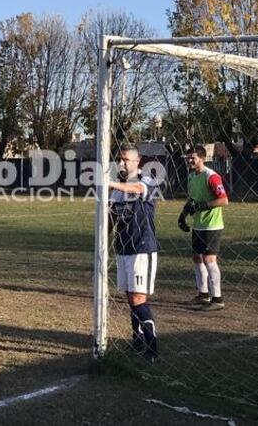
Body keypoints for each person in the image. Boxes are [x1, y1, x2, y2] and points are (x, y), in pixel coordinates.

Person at [108, 145, 159, 363]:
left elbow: (137, 189)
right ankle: (137, 339)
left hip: (142, 248)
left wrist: (108, 183)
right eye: (119, 160)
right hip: (123, 248)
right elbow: (112, 218)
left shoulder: (146, 181)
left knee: (138, 298)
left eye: (125, 160)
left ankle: (152, 347)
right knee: (130, 297)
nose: (121, 164)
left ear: (137, 162)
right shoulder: (118, 190)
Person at [178, 145, 229, 311]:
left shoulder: (211, 176)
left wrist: (203, 205)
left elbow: (224, 200)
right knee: (197, 258)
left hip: (212, 225)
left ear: (202, 158)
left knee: (209, 259)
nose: (190, 160)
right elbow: (192, 201)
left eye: (193, 158)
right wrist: (183, 215)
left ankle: (217, 299)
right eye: (188, 158)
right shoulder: (192, 176)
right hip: (198, 225)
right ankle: (203, 294)